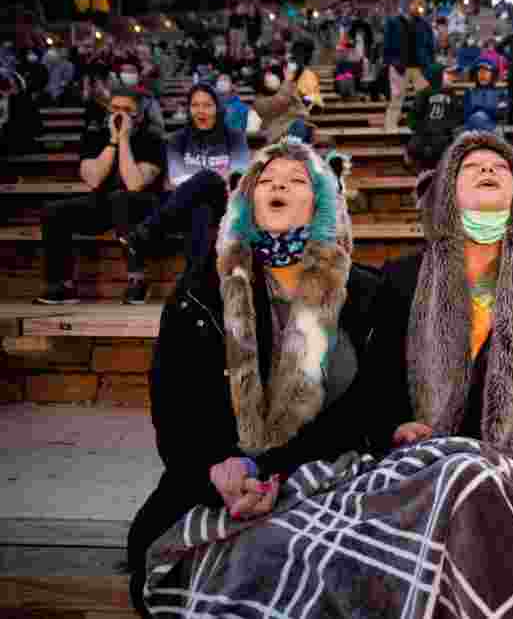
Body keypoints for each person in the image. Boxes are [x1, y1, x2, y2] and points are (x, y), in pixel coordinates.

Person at [137, 131, 513, 618]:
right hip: (422, 467)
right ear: (446, 190)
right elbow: (375, 393)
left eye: (501, 167)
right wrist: (391, 428)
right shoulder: (401, 278)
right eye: (471, 167)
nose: (488, 168)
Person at [127, 141, 380, 617]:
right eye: (265, 180)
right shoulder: (200, 292)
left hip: (331, 479)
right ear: (247, 203)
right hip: (215, 487)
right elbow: (174, 411)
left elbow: (373, 406)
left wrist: (278, 471)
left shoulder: (366, 292)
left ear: (322, 203)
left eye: (296, 180)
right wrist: (216, 468)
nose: (279, 184)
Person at [35, 87, 167, 305]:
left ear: (139, 115)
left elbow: (134, 184)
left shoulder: (152, 139)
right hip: (106, 204)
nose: (119, 115)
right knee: (54, 211)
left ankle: (138, 281)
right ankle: (61, 285)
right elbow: (94, 179)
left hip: (143, 208)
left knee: (122, 199)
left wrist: (124, 140)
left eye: (127, 110)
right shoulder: (94, 136)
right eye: (115, 109)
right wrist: (113, 142)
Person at [119, 83, 250, 300]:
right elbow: (175, 180)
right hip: (185, 206)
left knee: (208, 179)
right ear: (189, 109)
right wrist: (210, 177)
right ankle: (194, 281)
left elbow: (238, 177)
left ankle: (147, 231)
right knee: (201, 208)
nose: (201, 111)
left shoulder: (235, 138)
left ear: (217, 108)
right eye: (195, 105)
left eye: (207, 105)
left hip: (226, 202)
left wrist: (210, 177)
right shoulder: (176, 139)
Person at [382, 0, 434, 131]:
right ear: (406, 5)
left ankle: (425, 125)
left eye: (418, 4)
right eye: (415, 3)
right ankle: (390, 127)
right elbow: (387, 44)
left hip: (420, 66)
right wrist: (390, 62)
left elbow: (430, 45)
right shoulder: (393, 22)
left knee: (425, 98)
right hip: (399, 66)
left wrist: (430, 62)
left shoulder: (424, 23)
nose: (418, 6)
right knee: (396, 98)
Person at [405, 64, 462, 172]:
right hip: (425, 138)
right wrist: (421, 129)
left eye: (453, 75)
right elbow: (413, 117)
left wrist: (450, 129)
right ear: (437, 75)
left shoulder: (452, 95)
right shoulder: (424, 93)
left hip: (443, 138)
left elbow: (457, 117)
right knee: (419, 148)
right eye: (448, 74)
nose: (452, 77)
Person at [252, 64, 310, 143]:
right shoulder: (259, 102)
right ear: (261, 83)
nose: (274, 78)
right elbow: (279, 102)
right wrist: (287, 81)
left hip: (296, 134)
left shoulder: (286, 91)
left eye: (272, 75)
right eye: (268, 77)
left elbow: (303, 112)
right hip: (278, 138)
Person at [462, 57, 508, 132]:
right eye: (479, 71)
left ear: (492, 74)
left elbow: (501, 115)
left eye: (486, 71)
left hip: (492, 129)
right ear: (475, 74)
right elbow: (466, 115)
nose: (483, 75)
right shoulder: (469, 92)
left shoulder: (500, 93)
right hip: (472, 130)